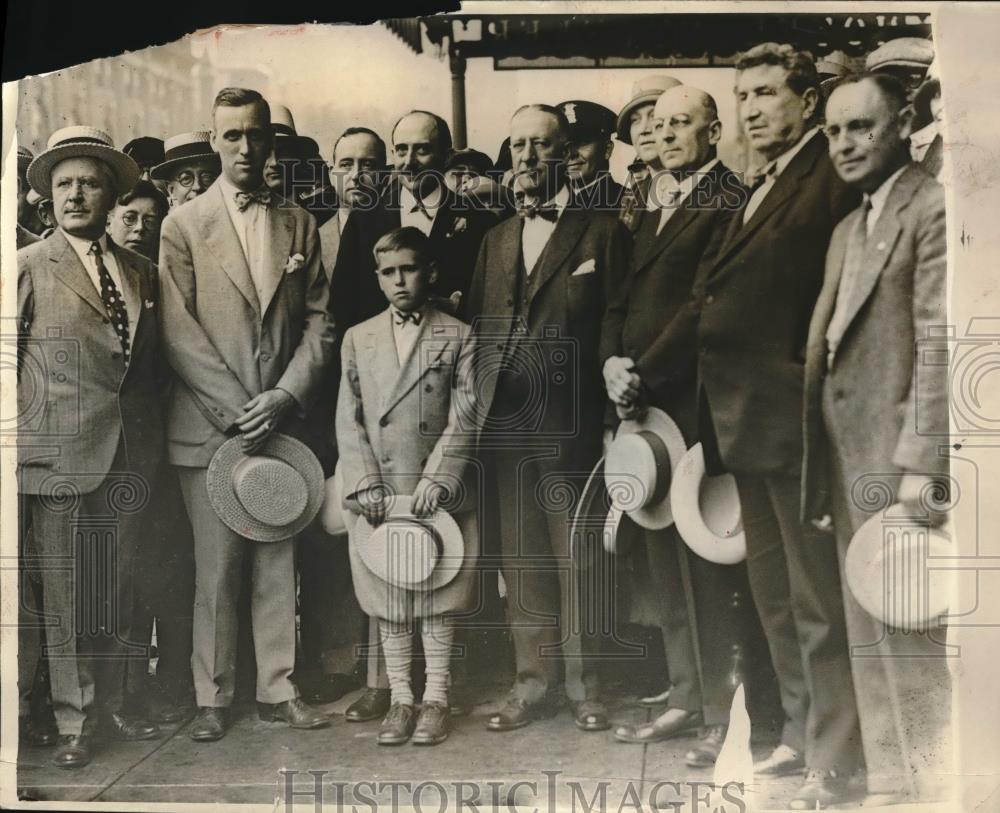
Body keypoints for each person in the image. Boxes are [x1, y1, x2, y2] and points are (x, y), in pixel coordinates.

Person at [692, 44, 862, 809]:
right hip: (745, 419)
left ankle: (838, 753)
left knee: (818, 598)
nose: (751, 108)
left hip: (794, 418)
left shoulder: (824, 173)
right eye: (742, 96)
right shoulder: (757, 185)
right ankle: (800, 730)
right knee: (775, 596)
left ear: (804, 99)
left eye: (765, 92)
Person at [157, 88, 334, 742]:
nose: (244, 147)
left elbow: (320, 322)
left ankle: (277, 688)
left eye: (255, 134)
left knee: (276, 562)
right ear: (213, 140)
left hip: (279, 425)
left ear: (271, 141)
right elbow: (177, 331)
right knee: (217, 568)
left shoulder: (299, 222)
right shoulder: (183, 225)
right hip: (211, 429)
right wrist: (239, 411)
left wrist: (284, 397)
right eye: (231, 135)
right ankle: (213, 693)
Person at [804, 72, 950, 803]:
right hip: (846, 452)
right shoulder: (847, 227)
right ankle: (893, 777)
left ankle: (933, 780)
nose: (845, 144)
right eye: (834, 131)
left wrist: (923, 459)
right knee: (866, 619)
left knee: (911, 623)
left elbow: (939, 339)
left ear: (903, 125)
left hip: (896, 457)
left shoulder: (930, 206)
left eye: (862, 127)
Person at [464, 104, 630, 733]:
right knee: (522, 558)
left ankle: (587, 687)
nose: (528, 158)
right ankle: (532, 682)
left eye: (541, 146)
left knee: (578, 557)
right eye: (517, 145)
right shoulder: (496, 237)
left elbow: (616, 321)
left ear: (565, 153)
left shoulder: (603, 232)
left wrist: (612, 419)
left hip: (574, 426)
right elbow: (481, 328)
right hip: (506, 427)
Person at [601, 85, 749, 767]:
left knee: (701, 557)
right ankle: (687, 693)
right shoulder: (650, 203)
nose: (666, 136)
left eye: (681, 125)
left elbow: (703, 305)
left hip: (688, 402)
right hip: (638, 401)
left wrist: (641, 372)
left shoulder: (728, 198)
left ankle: (723, 710)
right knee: (660, 548)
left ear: (713, 133)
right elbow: (619, 296)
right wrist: (611, 364)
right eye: (658, 126)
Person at [18, 126, 163, 768]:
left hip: (129, 453)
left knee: (118, 585)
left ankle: (111, 703)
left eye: (91, 183)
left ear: (111, 196)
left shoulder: (140, 269)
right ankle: (74, 720)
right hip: (58, 457)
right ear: (48, 197)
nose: (77, 194)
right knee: (66, 593)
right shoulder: (26, 267)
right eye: (65, 183)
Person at [336, 226, 481, 746]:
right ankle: (401, 698)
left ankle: (436, 697)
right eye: (389, 272)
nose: (400, 281)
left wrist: (441, 478)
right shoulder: (359, 336)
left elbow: (466, 415)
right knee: (391, 596)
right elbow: (348, 418)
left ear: (431, 273)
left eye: (410, 269)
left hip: (433, 492)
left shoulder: (459, 334)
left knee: (438, 591)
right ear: (377, 279)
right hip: (381, 493)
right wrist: (365, 482)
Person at [330, 110, 494, 333]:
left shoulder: (479, 221)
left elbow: (487, 307)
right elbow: (343, 305)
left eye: (422, 150)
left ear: (446, 157)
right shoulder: (364, 219)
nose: (409, 162)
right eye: (401, 150)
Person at [614, 75, 681, 231]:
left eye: (654, 116)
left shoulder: (705, 192)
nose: (643, 129)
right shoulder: (631, 198)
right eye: (635, 120)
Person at [322, 126, 388, 273]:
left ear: (384, 176)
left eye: (368, 165)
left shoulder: (398, 228)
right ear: (331, 175)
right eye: (346, 165)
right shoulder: (313, 238)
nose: (356, 176)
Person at [556, 100, 623, 212]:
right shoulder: (552, 205)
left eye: (582, 142)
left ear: (607, 149)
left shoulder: (626, 204)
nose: (571, 154)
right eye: (566, 146)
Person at [150, 131, 222, 209]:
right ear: (171, 190)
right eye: (186, 179)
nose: (197, 187)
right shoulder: (169, 221)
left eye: (207, 178)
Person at [106, 180, 168, 261]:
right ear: (108, 223)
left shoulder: (160, 272)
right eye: (130, 218)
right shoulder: (92, 267)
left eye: (149, 222)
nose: (140, 228)